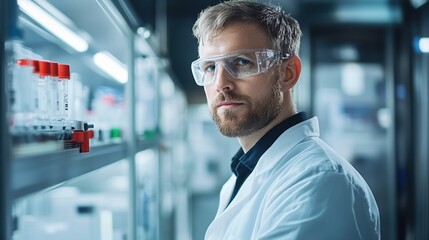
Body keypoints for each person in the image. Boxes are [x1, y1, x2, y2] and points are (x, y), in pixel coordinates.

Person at [191, 0, 380, 239]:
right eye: (210, 67)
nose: (220, 83)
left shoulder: (318, 180)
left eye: (241, 62)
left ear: (287, 73)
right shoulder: (245, 173)